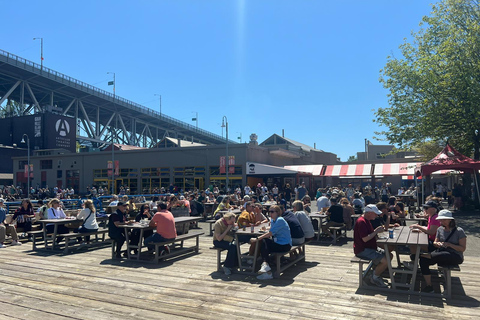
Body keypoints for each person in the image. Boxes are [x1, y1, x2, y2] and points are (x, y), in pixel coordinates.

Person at [419, 210, 466, 293]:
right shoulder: (440, 229)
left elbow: (462, 248)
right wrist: (438, 244)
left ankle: (421, 255)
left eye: (444, 219)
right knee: (423, 260)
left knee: (443, 255)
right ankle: (429, 285)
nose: (441, 221)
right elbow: (435, 242)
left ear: (450, 220)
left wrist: (450, 245)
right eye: (440, 220)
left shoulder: (459, 231)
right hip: (441, 253)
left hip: (455, 255)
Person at [250, 205, 292, 280]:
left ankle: (262, 264)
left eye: (272, 212)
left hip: (285, 245)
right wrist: (266, 228)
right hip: (278, 243)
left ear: (278, 212)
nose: (270, 213)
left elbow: (270, 233)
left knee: (263, 241)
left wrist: (257, 239)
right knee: (264, 244)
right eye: (269, 211)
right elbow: (272, 228)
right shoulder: (273, 220)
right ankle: (265, 267)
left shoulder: (280, 220)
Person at [353, 204, 389, 288]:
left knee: (389, 255)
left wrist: (376, 232)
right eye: (375, 213)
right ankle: (374, 277)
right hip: (362, 250)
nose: (377, 215)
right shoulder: (361, 222)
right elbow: (365, 239)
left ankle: (375, 273)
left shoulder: (366, 220)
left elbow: (370, 235)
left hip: (369, 247)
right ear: (369, 213)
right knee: (385, 260)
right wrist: (376, 231)